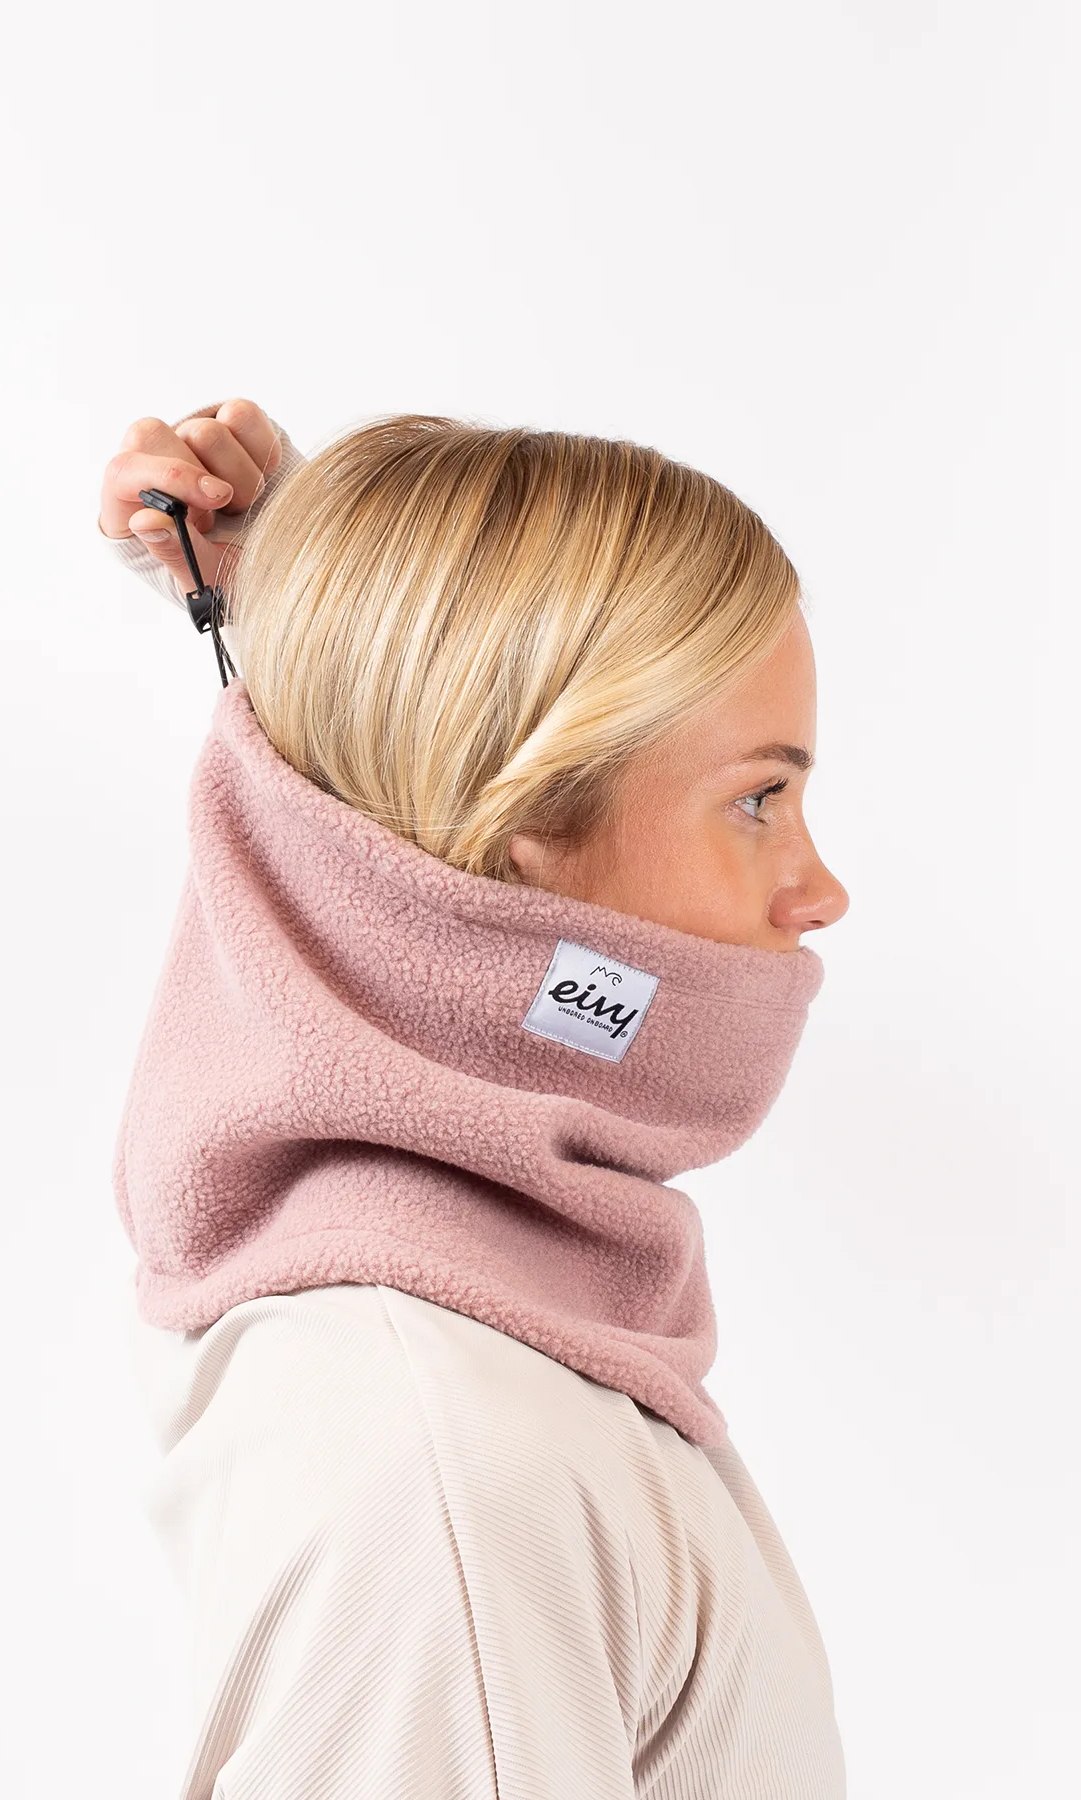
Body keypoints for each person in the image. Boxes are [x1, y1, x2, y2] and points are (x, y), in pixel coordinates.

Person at [98, 398, 851, 1799]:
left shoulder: (480, 1354)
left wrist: (346, 614)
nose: (822, 891)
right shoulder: (450, 1470)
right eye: (759, 799)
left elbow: (360, 880)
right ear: (529, 818)